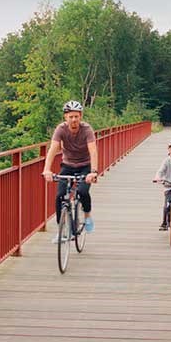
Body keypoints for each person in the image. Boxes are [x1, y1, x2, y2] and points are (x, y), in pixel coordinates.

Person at [43, 100, 99, 239]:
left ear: (80, 116)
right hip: (67, 165)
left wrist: (94, 171)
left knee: (82, 191)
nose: (74, 119)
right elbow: (53, 149)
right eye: (71, 116)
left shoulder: (86, 129)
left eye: (76, 116)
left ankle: (87, 216)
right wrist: (46, 170)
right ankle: (61, 230)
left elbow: (93, 151)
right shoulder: (61, 129)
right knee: (60, 196)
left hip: (85, 166)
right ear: (65, 117)